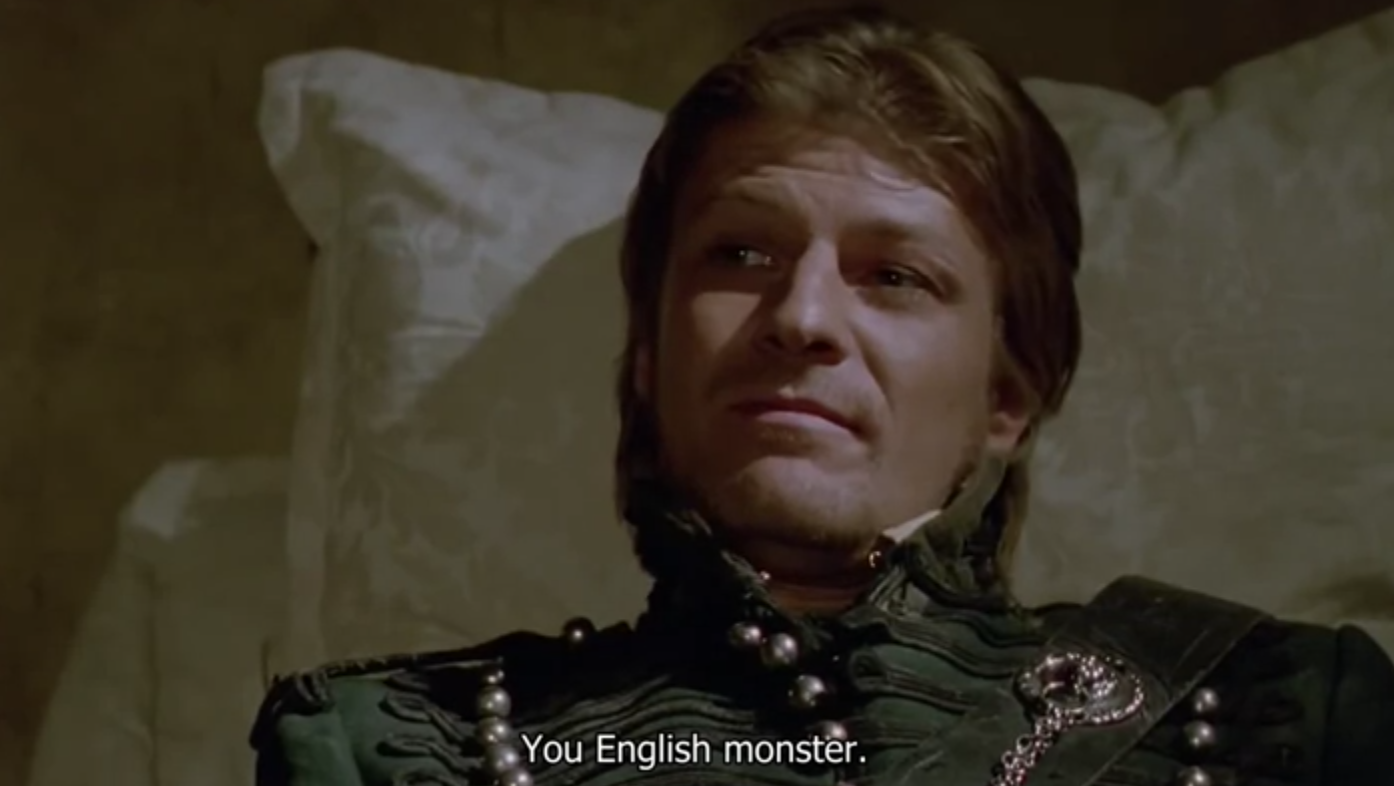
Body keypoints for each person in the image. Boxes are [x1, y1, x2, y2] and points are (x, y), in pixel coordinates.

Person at [250, 6, 1394, 786]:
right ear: (649, 359)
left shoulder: (1286, 716)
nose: (799, 316)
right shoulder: (395, 750)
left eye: (893, 276)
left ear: (1005, 396)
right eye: (739, 255)